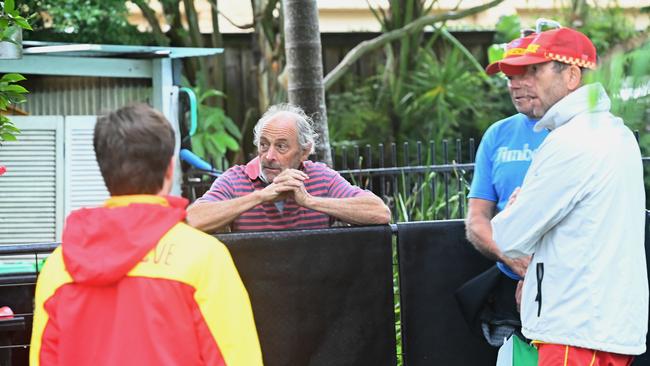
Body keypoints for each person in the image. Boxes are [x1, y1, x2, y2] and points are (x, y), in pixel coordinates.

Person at [30, 104, 263, 365]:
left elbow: (43, 358)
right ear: (169, 170)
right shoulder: (203, 257)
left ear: (104, 170)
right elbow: (237, 358)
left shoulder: (59, 265)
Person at [492, 27, 648, 365]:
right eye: (515, 73)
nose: (520, 81)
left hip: (574, 335)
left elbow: (507, 237)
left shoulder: (572, 141)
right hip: (596, 329)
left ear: (572, 75)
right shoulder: (613, 132)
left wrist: (518, 205)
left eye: (534, 69)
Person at [187, 103, 391, 232]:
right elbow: (192, 220)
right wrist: (260, 196)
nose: (269, 156)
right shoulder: (234, 179)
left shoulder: (320, 176)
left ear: (304, 151)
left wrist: (310, 201)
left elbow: (379, 213)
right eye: (264, 145)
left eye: (281, 146)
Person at [466, 32, 548, 278]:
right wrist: (509, 257)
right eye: (510, 77)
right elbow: (477, 217)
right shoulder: (497, 134)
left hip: (564, 282)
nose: (514, 84)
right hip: (507, 281)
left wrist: (539, 273)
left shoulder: (576, 132)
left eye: (524, 73)